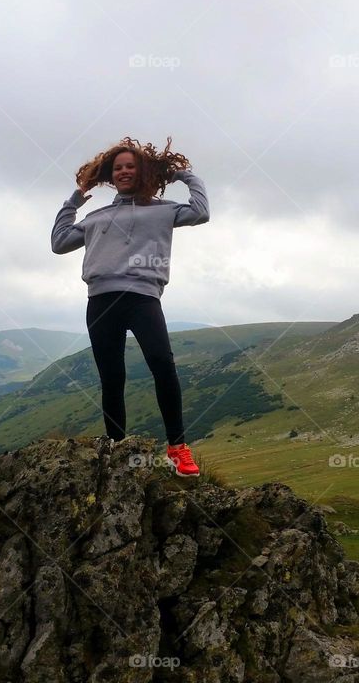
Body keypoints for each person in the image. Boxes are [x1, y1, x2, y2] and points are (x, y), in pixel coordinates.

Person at [51, 136, 210, 477]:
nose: (124, 172)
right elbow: (59, 242)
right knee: (112, 378)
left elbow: (201, 212)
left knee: (162, 364)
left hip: (143, 297)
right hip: (101, 299)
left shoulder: (164, 210)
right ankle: (116, 448)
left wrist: (185, 176)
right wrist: (74, 200)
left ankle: (177, 448)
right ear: (111, 174)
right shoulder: (97, 216)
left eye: (131, 166)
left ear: (143, 172)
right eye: (118, 167)